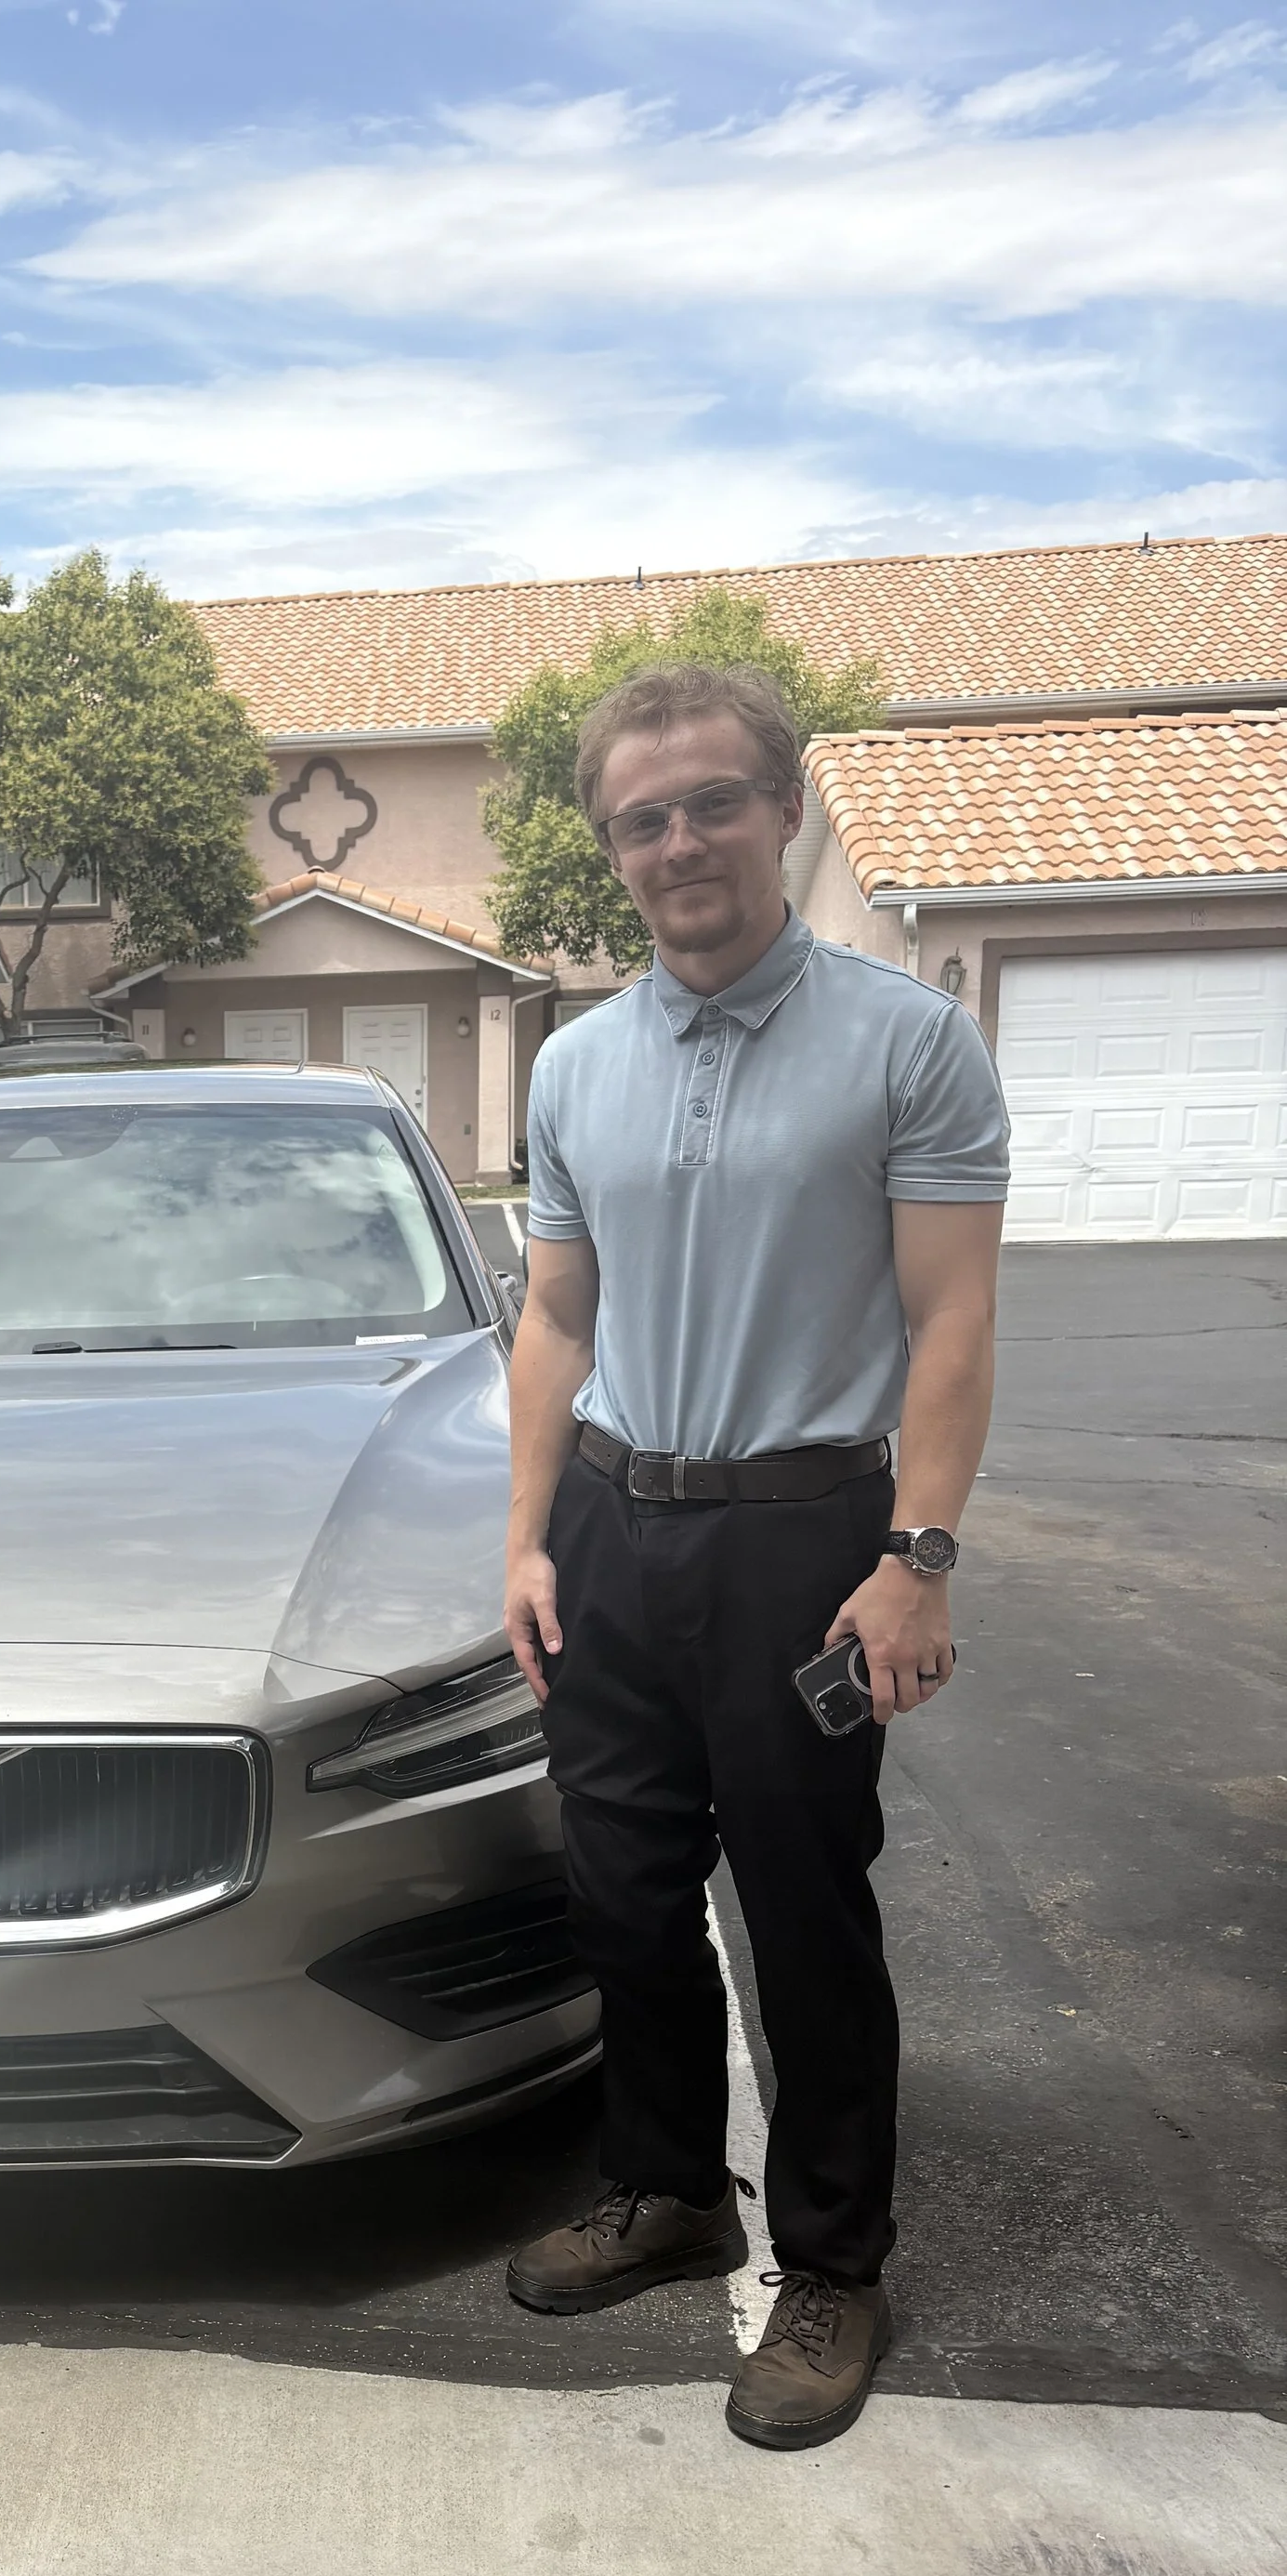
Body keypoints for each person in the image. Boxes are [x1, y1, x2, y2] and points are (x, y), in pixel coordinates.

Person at [501, 660, 1008, 2450]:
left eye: (714, 801)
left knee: (802, 1914)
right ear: (612, 850)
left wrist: (917, 1556)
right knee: (623, 1897)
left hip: (809, 1538)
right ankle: (669, 2194)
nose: (680, 842)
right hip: (611, 1533)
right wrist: (527, 1542)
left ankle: (836, 2266)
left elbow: (950, 1325)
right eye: (643, 818)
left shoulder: (906, 1043)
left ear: (785, 808)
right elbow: (555, 1320)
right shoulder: (572, 1065)